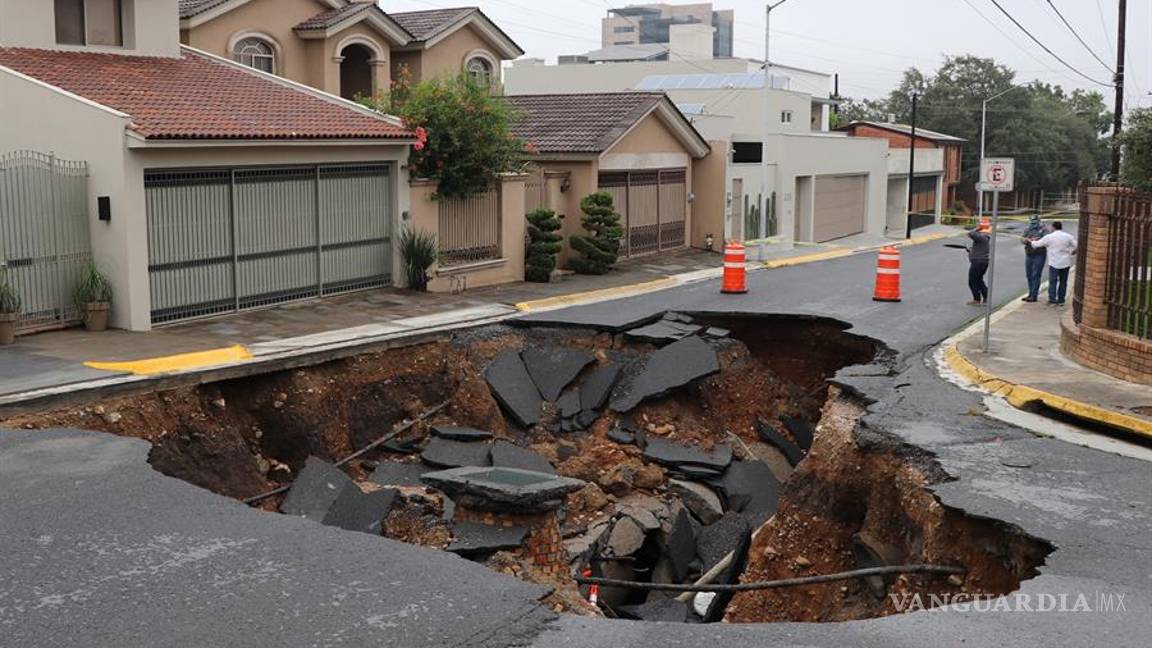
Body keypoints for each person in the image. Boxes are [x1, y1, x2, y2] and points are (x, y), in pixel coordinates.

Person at [1028, 221, 1077, 305]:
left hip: (1054, 263)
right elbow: (1077, 245)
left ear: (1053, 227)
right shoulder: (1068, 236)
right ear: (1061, 227)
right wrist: (1073, 252)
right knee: (1063, 282)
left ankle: (1052, 299)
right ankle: (1061, 300)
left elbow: (1037, 244)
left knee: (1053, 281)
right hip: (1065, 262)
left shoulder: (1049, 237)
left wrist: (1030, 241)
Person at [1021, 214, 1048, 302]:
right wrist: (1026, 240)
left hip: (1039, 254)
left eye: (1035, 223)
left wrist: (1037, 240)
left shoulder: (1044, 230)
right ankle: (1030, 293)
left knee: (1036, 274)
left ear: (1039, 221)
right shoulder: (1027, 229)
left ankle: (1034, 295)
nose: (1033, 225)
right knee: (1029, 275)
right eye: (1032, 223)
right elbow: (1022, 239)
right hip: (1029, 253)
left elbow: (1047, 240)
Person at [967, 220, 991, 305]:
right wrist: (971, 251)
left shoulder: (980, 237)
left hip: (978, 262)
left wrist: (977, 228)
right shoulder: (986, 237)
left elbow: (970, 233)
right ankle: (986, 297)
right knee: (979, 280)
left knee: (972, 281)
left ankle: (976, 299)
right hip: (983, 261)